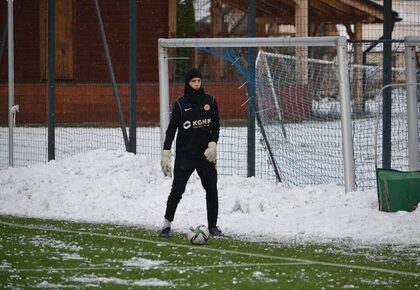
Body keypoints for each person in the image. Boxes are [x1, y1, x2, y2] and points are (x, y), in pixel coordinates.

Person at [159, 68, 223, 238]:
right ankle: (166, 225)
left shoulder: (211, 101)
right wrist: (166, 152)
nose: (196, 84)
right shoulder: (180, 104)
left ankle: (213, 226)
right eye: (193, 81)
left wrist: (213, 143)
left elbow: (215, 126)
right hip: (185, 155)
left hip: (205, 156)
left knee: (211, 189)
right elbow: (171, 129)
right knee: (177, 190)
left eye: (199, 81)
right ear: (188, 83)